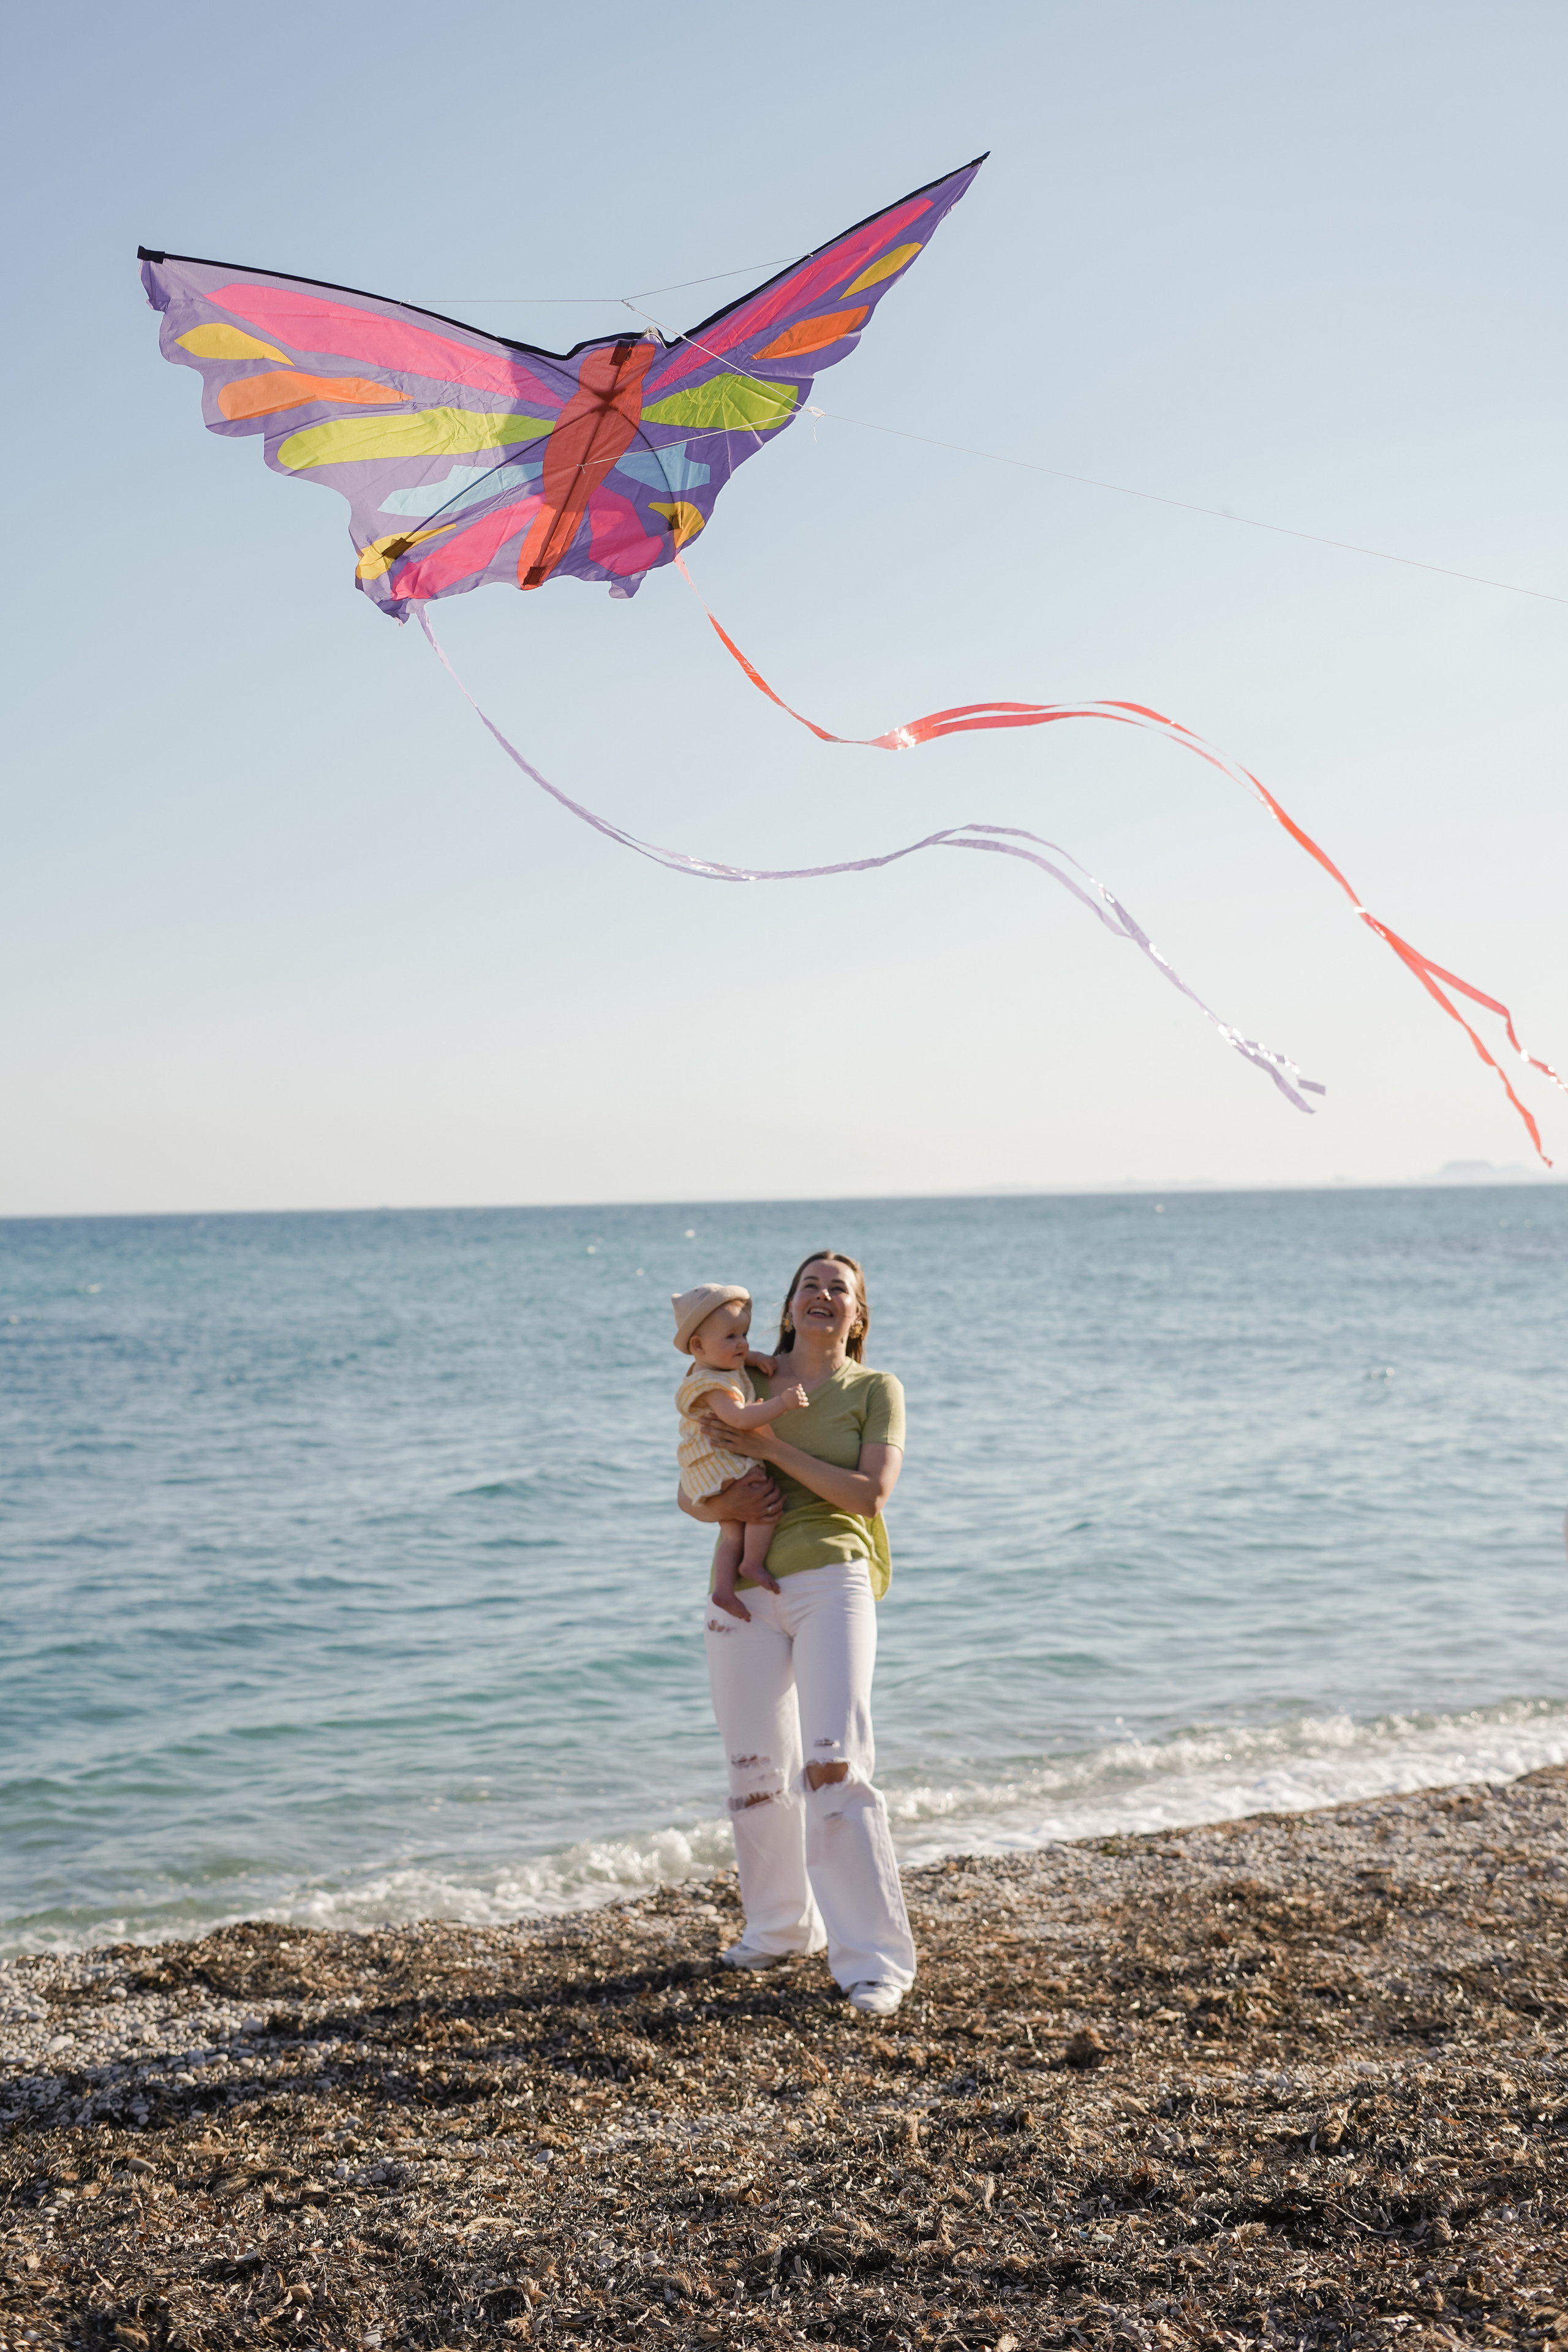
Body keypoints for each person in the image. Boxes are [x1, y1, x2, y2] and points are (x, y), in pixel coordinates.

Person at [679, 1251, 916, 2017]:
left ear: (858, 1316)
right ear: (786, 1308)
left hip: (831, 1580)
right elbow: (693, 1490)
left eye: (838, 1289)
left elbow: (869, 1495)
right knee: (753, 1774)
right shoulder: (740, 1377)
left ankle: (874, 1965)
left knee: (833, 1767)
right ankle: (780, 1929)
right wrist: (719, 1505)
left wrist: (775, 1449)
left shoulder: (874, 1390)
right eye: (808, 1285)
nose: (822, 1295)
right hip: (746, 1593)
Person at [671, 1283, 809, 1621]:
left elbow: (740, 1354)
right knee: (765, 1504)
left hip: (707, 1469)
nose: (743, 1344)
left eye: (744, 1334)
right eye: (732, 1337)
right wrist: (782, 1404)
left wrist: (756, 1358)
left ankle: (723, 1591)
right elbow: (740, 1418)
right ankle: (753, 1563)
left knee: (732, 1533)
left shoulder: (713, 1364)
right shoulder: (712, 1386)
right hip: (726, 1464)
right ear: (698, 1346)